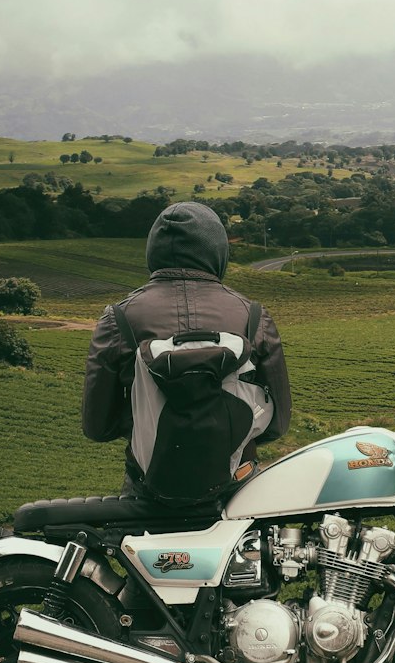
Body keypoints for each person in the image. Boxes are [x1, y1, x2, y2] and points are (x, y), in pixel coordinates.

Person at [82, 201, 291, 499]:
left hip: (150, 489)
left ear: (152, 251)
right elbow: (277, 425)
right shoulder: (253, 316)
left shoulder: (118, 318)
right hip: (237, 486)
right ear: (218, 251)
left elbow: (97, 427)